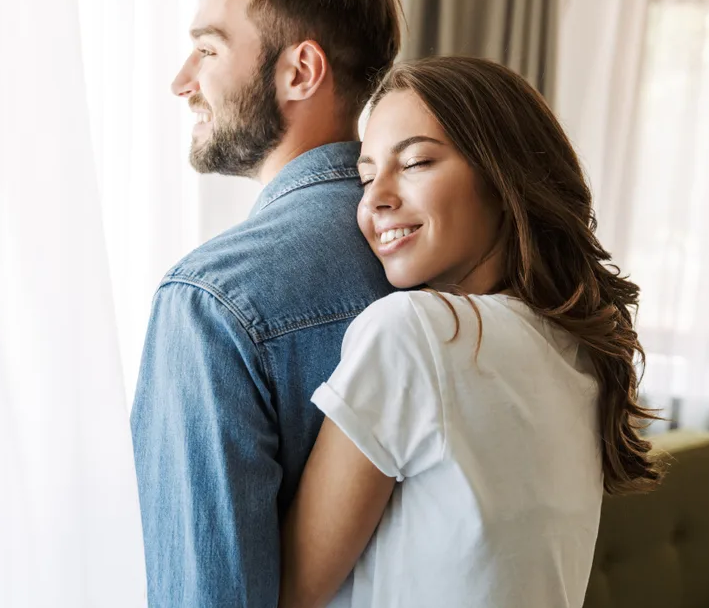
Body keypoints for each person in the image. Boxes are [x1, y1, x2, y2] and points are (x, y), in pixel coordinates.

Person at [277, 56, 663, 608]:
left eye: (415, 163)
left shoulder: (412, 333)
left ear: (501, 177)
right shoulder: (579, 350)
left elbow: (288, 590)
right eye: (365, 176)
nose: (375, 197)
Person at [129, 0, 403, 606]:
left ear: (300, 70)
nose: (182, 79)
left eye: (210, 48)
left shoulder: (211, 300)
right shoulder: (445, 256)